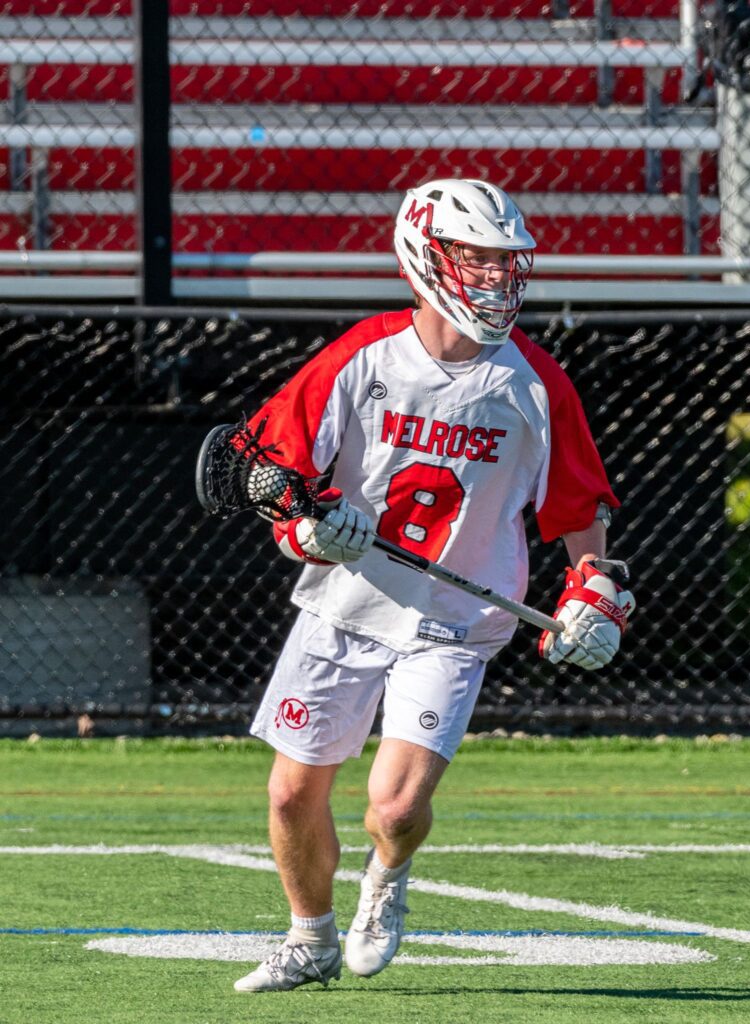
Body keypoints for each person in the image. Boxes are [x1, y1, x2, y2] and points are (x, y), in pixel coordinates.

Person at [233, 178, 634, 993]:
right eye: (474, 259)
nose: (494, 276)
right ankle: (309, 939)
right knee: (289, 796)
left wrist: (590, 586)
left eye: (503, 261)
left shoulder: (532, 383)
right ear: (425, 254)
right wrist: (305, 530)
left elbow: (574, 506)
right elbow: (269, 471)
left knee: (394, 808)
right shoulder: (363, 355)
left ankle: (385, 881)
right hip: (343, 607)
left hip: (454, 620)